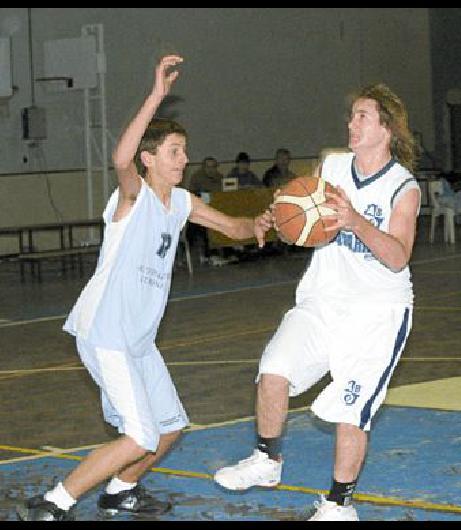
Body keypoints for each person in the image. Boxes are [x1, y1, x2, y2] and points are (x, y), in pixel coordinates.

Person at [15, 55, 273, 521]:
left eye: (185, 149)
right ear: (148, 159)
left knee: (171, 428)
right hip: (106, 331)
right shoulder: (131, 197)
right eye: (175, 150)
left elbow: (231, 227)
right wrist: (155, 95)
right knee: (140, 435)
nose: (185, 158)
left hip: (138, 340)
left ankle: (118, 491)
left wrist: (260, 223)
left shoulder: (181, 202)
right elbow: (119, 158)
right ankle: (53, 503)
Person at [213, 83, 420, 521]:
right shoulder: (333, 165)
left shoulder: (404, 188)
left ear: (386, 128)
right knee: (272, 372)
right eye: (351, 116)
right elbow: (302, 212)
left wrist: (354, 221)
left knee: (351, 411)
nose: (351, 123)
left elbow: (399, 257)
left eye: (361, 116)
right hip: (323, 299)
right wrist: (280, 218)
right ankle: (267, 460)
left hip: (377, 312)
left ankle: (339, 505)